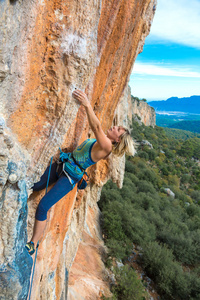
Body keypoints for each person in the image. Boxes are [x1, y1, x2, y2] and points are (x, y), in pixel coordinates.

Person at [26, 89, 136, 255]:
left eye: (118, 129)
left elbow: (96, 126)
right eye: (117, 126)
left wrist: (86, 104)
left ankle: (33, 244)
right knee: (34, 185)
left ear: (118, 139)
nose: (114, 126)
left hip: (69, 178)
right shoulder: (101, 141)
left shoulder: (106, 146)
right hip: (63, 164)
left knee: (43, 206)